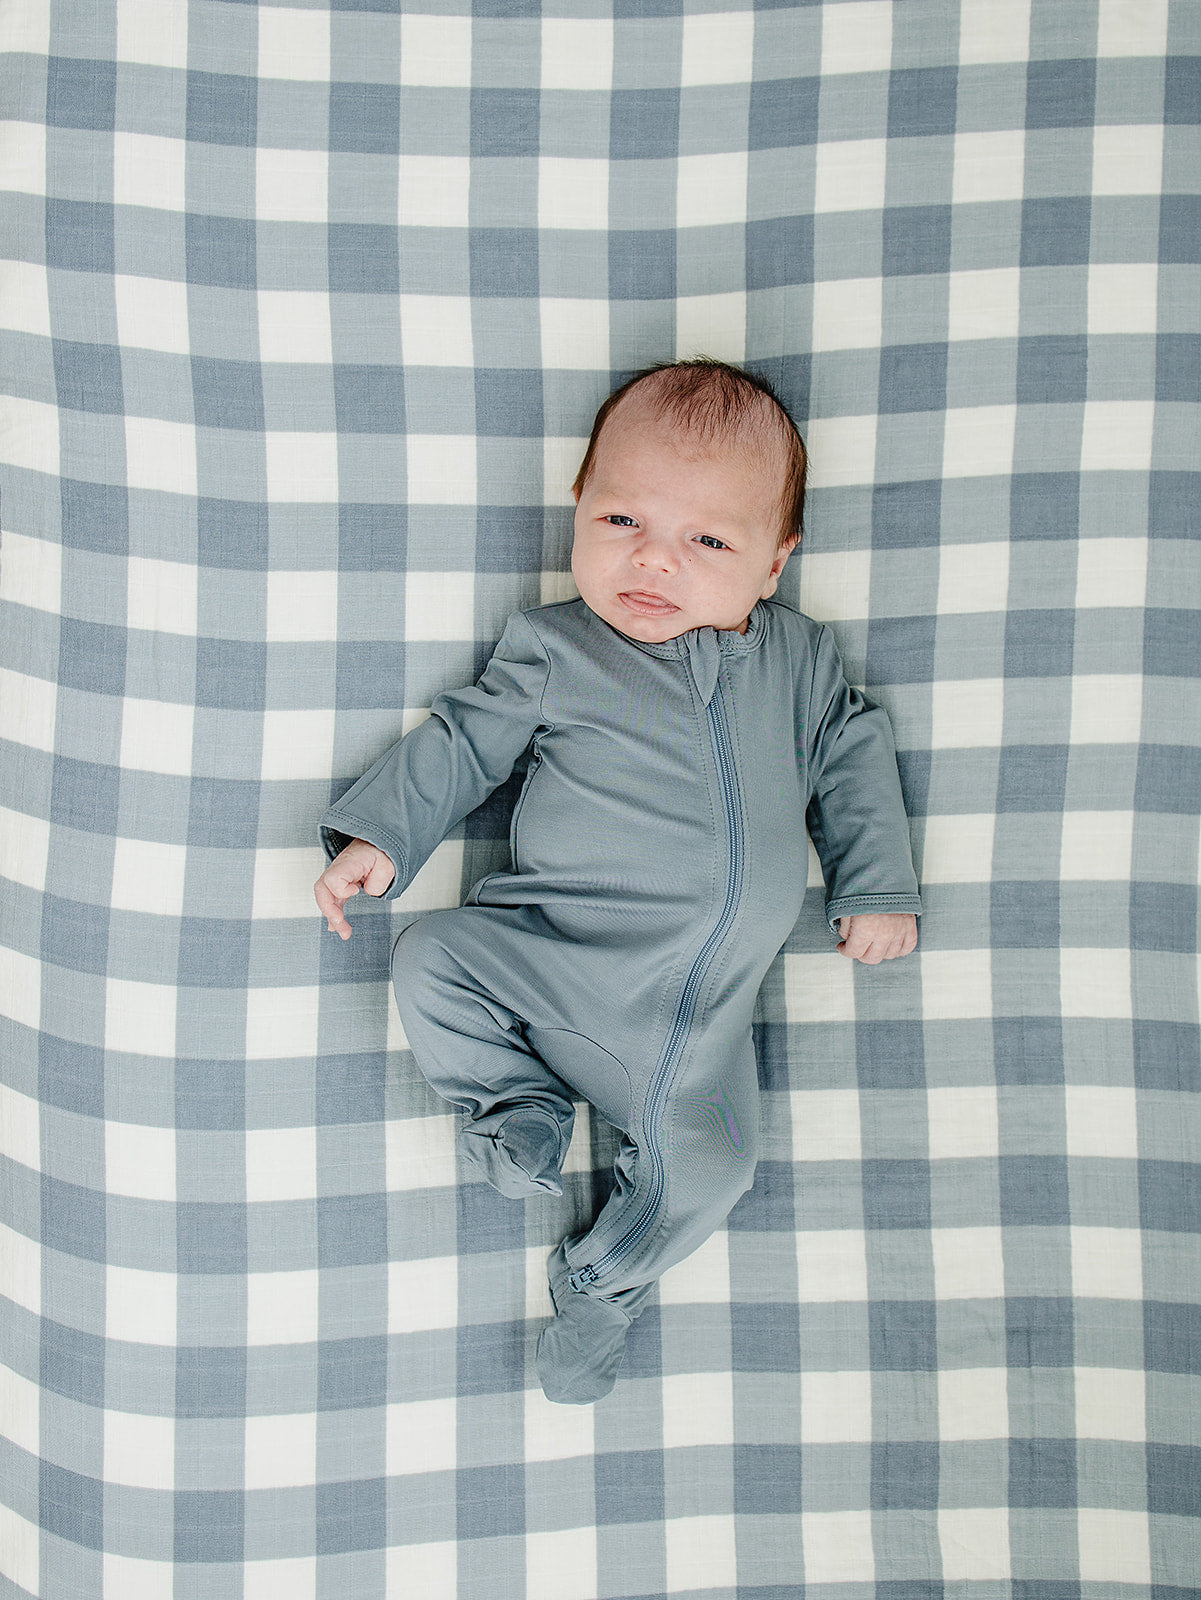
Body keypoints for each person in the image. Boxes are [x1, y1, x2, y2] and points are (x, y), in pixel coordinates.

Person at [314, 359, 920, 1403]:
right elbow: (465, 742)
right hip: (553, 967)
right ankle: (517, 1105)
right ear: (578, 509)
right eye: (622, 520)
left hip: (703, 1041)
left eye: (708, 541)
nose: (653, 560)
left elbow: (855, 746)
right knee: (431, 956)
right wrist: (383, 832)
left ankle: (602, 1279)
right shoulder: (558, 649)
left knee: (721, 1168)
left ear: (774, 565)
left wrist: (875, 879)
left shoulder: (801, 667)